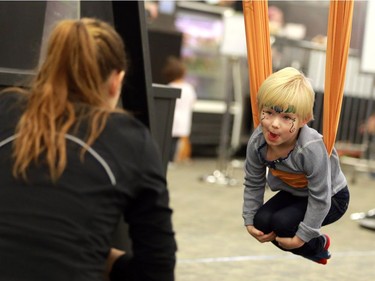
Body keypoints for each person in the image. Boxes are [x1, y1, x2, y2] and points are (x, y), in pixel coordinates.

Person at [0, 18, 176, 281]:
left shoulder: (7, 110)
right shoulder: (128, 138)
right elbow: (157, 269)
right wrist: (103, 258)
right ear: (116, 81)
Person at [242, 67, 350, 264]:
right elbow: (253, 182)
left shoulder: (310, 148)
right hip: (295, 192)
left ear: (303, 120)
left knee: (283, 225)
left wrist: (303, 238)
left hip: (332, 197)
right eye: (268, 112)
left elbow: (320, 197)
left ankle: (318, 245)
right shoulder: (258, 142)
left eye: (286, 118)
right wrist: (249, 220)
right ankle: (311, 244)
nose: (274, 124)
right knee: (261, 222)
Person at [163, 56, 197, 164]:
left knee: (170, 140)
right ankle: (180, 157)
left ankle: (169, 159)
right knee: (182, 139)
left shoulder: (169, 86)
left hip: (171, 116)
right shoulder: (189, 88)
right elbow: (192, 102)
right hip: (184, 117)